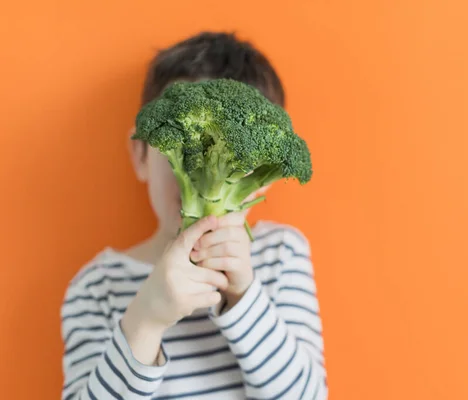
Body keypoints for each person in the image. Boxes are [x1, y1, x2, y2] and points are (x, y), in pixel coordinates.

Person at [60, 31, 327, 399]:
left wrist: (243, 295)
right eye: (183, 146)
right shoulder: (96, 288)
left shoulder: (280, 256)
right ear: (140, 155)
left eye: (237, 157)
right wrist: (147, 318)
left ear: (266, 172)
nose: (202, 172)